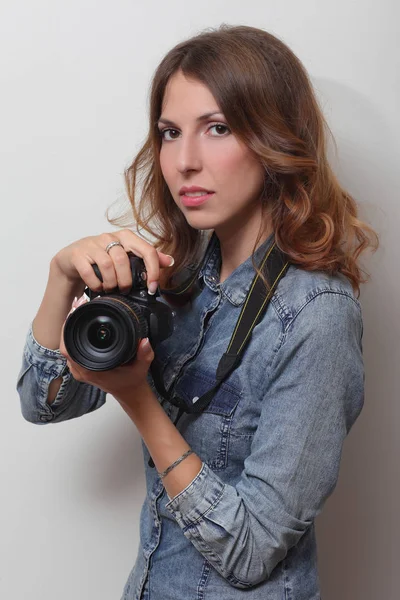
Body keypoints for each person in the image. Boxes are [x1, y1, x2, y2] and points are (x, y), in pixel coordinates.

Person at [16, 24, 378, 600]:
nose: (184, 161)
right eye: (169, 132)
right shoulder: (175, 276)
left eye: (217, 128)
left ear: (274, 138)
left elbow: (253, 548)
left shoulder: (316, 315)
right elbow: (41, 404)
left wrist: (139, 400)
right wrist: (61, 280)